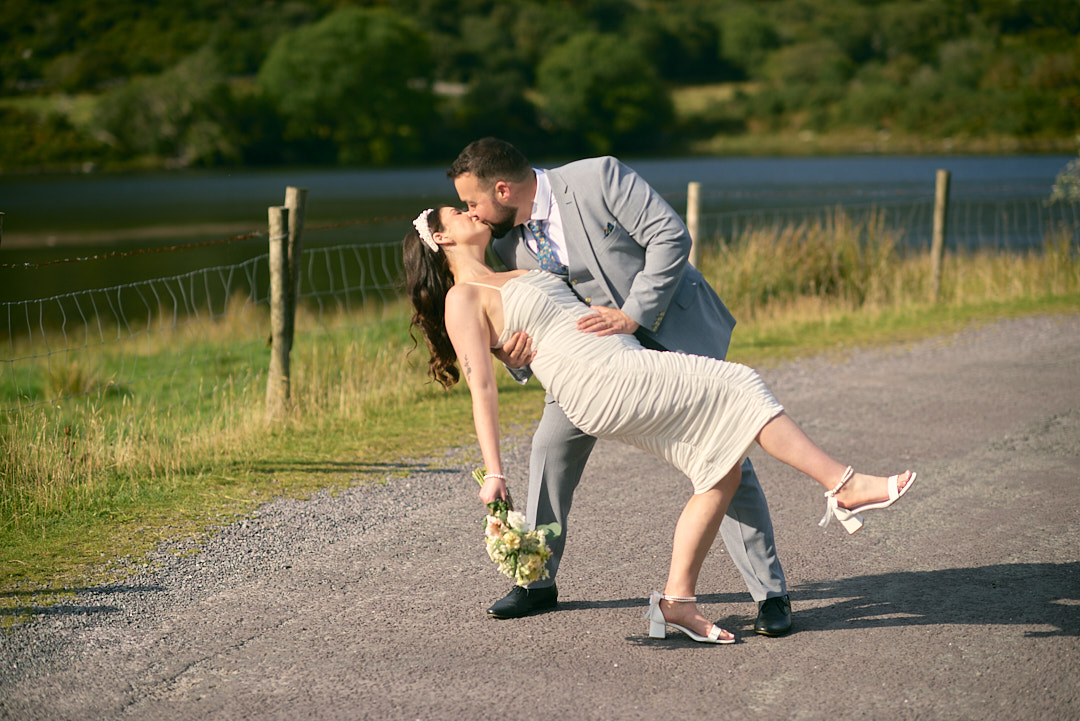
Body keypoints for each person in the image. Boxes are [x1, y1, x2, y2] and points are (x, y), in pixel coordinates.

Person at [403, 206, 917, 644]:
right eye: (456, 212)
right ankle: (842, 484)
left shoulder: (514, 266)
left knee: (722, 470)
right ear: (442, 237)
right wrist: (494, 471)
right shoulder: (461, 298)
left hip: (616, 359)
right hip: (598, 378)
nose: (471, 211)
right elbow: (482, 387)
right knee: (738, 383)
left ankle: (677, 602)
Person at [446, 138, 793, 633]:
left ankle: (770, 595)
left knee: (727, 455)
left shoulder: (598, 177)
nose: (470, 213)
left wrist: (633, 316)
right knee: (549, 448)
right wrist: (514, 359)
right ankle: (536, 579)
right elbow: (514, 325)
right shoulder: (504, 244)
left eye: (473, 202)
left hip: (666, 334)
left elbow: (670, 238)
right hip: (588, 369)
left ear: (502, 189)